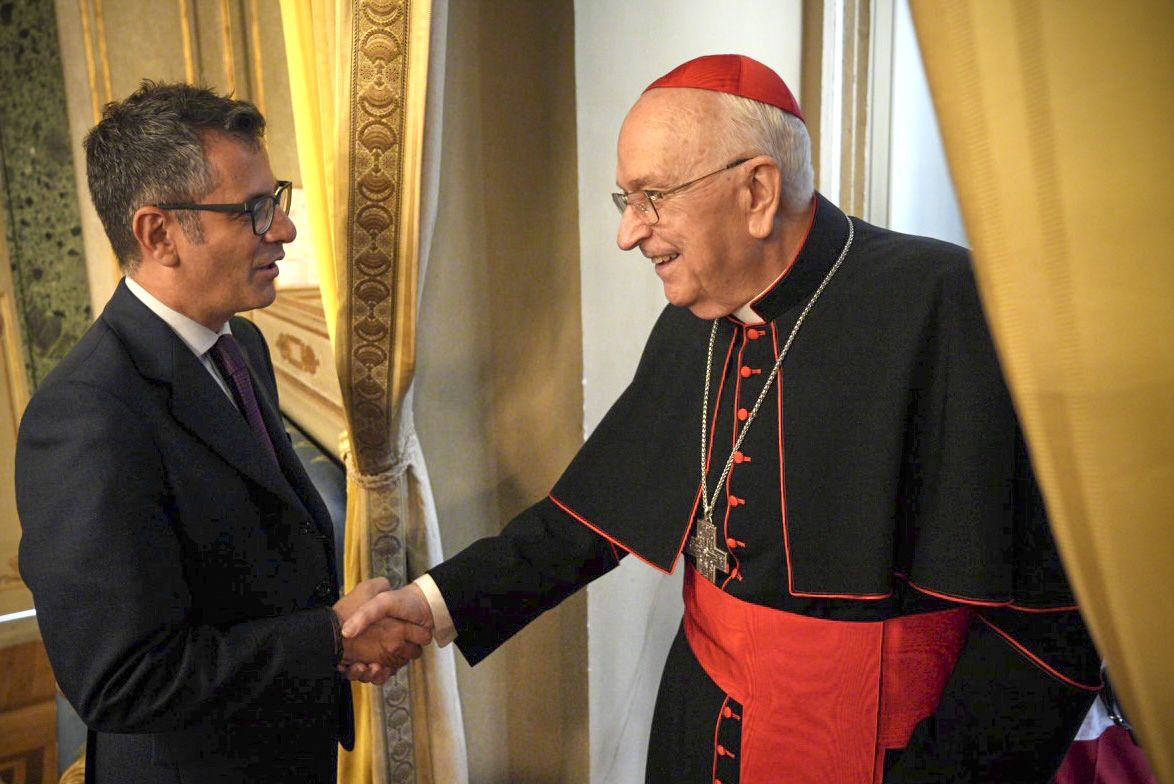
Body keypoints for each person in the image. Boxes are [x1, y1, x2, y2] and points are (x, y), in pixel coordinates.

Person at [344, 55, 1102, 782]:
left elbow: (1048, 620)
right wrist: (430, 604)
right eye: (626, 200)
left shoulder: (943, 302)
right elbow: (592, 519)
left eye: (651, 197)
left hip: (879, 748)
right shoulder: (700, 310)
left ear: (757, 192)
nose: (629, 232)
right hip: (700, 723)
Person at [16, 82, 430, 784]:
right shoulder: (88, 414)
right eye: (252, 211)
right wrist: (328, 636)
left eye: (277, 199)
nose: (284, 229)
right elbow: (123, 680)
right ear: (158, 234)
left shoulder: (243, 348)